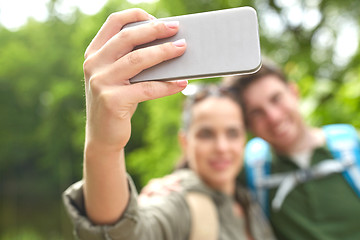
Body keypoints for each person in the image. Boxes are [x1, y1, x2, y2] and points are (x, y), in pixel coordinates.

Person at [62, 8, 275, 240]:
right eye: (206, 134)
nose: (222, 146)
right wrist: (104, 146)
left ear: (244, 139)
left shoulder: (251, 198)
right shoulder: (178, 201)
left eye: (232, 133)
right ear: (185, 141)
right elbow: (123, 234)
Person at [222, 63, 360, 240]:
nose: (273, 117)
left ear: (294, 92)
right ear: (247, 125)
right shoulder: (249, 170)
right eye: (256, 112)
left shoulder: (352, 148)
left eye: (276, 99)